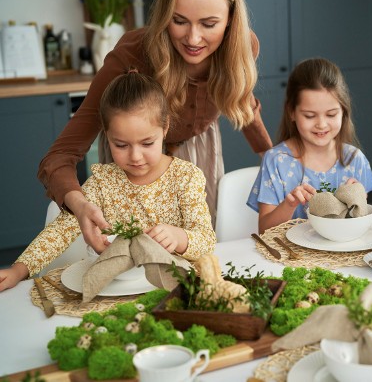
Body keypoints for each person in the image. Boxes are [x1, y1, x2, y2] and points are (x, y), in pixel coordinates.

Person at [37, 0, 271, 254]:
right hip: (131, 155)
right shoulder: (131, 55)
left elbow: (241, 96)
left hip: (199, 152)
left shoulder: (243, 45)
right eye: (179, 20)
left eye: (209, 24)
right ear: (163, 15)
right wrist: (79, 203)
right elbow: (59, 156)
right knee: (132, 257)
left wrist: (270, 156)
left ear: (230, 21)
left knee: (193, 251)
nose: (194, 38)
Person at [0, 70, 216, 292]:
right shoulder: (103, 182)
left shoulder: (186, 177)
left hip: (171, 288)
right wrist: (18, 269)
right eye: (121, 145)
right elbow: (60, 231)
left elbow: (206, 240)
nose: (135, 156)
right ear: (106, 135)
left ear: (165, 128)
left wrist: (179, 238)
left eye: (147, 143)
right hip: (115, 289)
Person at [247, 58, 372, 233]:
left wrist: (359, 200)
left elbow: (363, 223)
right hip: (293, 257)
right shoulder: (276, 161)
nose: (322, 124)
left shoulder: (354, 159)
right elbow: (264, 230)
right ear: (291, 112)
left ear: (343, 112)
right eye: (310, 116)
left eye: (331, 114)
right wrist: (290, 203)